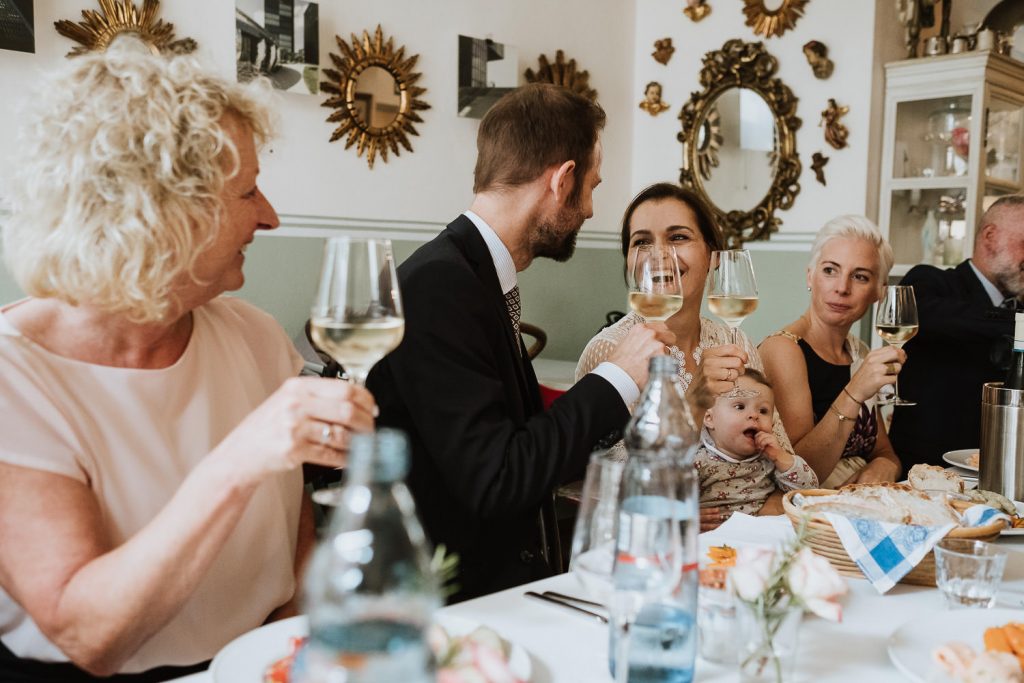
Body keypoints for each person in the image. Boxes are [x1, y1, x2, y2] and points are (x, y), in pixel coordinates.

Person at [0, 39, 375, 682]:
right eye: (249, 192)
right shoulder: (16, 378)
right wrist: (239, 458)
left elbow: (295, 536)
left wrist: (295, 655)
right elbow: (89, 635)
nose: (272, 217)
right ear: (161, 214)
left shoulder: (255, 338)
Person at [366, 84, 672, 602]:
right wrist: (615, 377)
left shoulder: (474, 274)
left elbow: (525, 440)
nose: (592, 209)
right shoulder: (438, 284)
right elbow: (498, 476)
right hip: (447, 602)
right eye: (592, 186)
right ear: (562, 179)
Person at [576, 182, 795, 529]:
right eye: (642, 241)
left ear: (711, 254)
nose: (659, 255)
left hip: (737, 537)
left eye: (678, 237)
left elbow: (777, 456)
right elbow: (620, 486)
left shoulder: (734, 341)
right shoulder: (608, 352)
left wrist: (759, 513)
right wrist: (696, 401)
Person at [759, 215, 903, 488]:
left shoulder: (856, 350)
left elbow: (884, 452)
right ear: (810, 275)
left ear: (879, 292)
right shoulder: (784, 350)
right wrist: (855, 390)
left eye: (860, 277)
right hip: (805, 514)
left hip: (856, 505)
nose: (842, 287)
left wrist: (885, 465)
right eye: (830, 270)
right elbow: (799, 475)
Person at [889, 196, 1024, 468]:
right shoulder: (932, 282)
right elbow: (923, 315)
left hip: (1006, 468)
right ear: (989, 236)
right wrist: (1018, 324)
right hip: (926, 470)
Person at [697, 370, 817, 516]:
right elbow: (671, 502)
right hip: (719, 534)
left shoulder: (768, 459)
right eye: (740, 407)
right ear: (709, 418)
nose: (754, 415)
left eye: (763, 411)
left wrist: (780, 457)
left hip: (767, 530)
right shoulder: (699, 462)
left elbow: (809, 490)